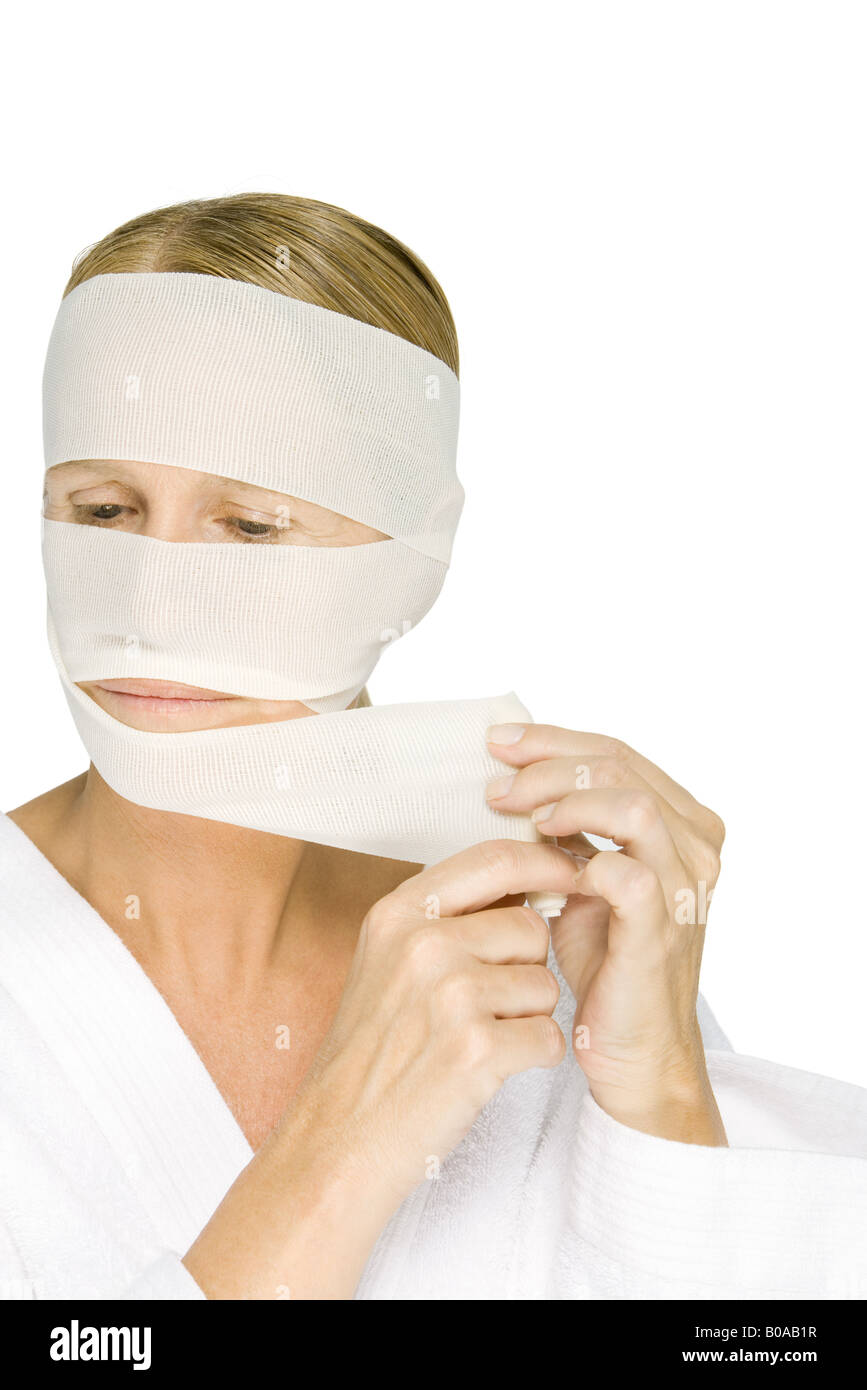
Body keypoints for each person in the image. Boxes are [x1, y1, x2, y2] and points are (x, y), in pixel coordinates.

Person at [2, 192, 864, 1300]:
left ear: (413, 554)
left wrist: (657, 1096)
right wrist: (341, 1151)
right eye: (103, 510)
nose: (151, 599)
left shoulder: (557, 954)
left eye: (252, 526)